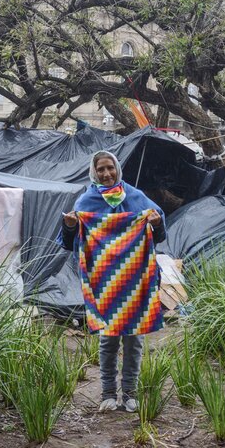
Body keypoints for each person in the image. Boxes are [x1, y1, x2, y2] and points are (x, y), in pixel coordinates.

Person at [59, 150, 166, 413]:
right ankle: (108, 393)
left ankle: (129, 394)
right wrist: (72, 225)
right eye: (101, 170)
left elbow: (159, 235)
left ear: (117, 168)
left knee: (133, 339)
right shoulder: (87, 201)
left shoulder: (136, 197)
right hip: (104, 283)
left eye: (110, 168)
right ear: (94, 173)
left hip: (135, 280)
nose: (107, 174)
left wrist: (156, 223)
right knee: (108, 340)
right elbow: (70, 243)